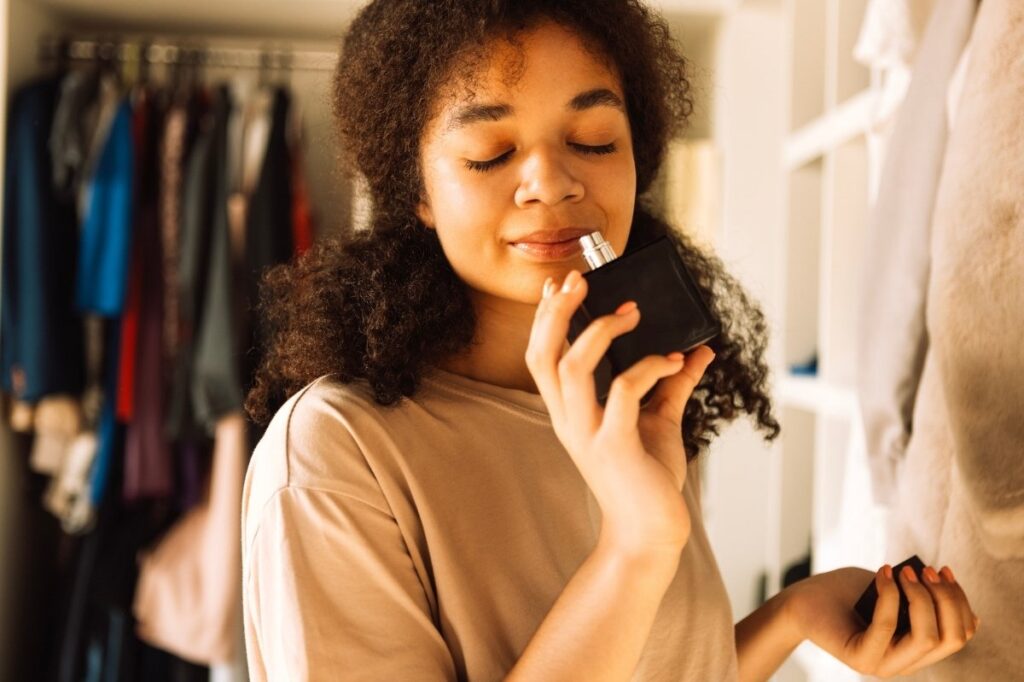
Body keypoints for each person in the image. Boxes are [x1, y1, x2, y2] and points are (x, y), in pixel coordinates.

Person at [239, 1, 980, 680]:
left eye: (594, 140)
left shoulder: (632, 398)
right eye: (491, 153)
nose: (553, 182)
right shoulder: (335, 455)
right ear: (419, 194)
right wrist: (636, 545)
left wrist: (790, 616)